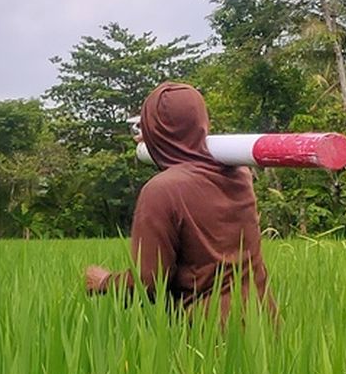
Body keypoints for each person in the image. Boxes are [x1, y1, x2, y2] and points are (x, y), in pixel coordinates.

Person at [85, 82, 277, 322]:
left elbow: (149, 284)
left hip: (209, 335)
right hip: (263, 326)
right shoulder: (240, 173)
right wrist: (161, 140)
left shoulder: (161, 190)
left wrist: (104, 282)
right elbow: (189, 158)